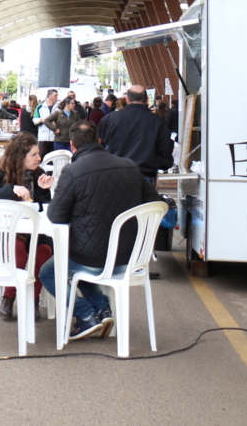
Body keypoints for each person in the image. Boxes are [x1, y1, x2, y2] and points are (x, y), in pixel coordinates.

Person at [39, 121, 163, 340]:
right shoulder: (129, 165)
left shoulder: (72, 171)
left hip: (92, 259)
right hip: (131, 258)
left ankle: (85, 315)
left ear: (72, 146)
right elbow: (154, 202)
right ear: (98, 141)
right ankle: (102, 310)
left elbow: (55, 216)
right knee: (83, 260)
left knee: (49, 271)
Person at [0, 132, 54, 320]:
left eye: (38, 154)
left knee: (44, 253)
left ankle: (33, 299)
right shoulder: (0, 174)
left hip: (35, 232)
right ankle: (9, 297)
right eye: (34, 155)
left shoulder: (39, 173)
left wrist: (44, 192)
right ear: (21, 157)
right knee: (18, 253)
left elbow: (44, 210)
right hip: (7, 233)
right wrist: (9, 190)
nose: (39, 158)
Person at [100, 85, 173, 182]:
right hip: (144, 174)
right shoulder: (157, 122)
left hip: (114, 174)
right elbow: (165, 150)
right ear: (147, 100)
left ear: (127, 99)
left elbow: (100, 144)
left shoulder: (109, 119)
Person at [33, 89, 59, 158]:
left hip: (55, 137)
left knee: (53, 158)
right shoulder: (40, 107)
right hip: (43, 137)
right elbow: (34, 120)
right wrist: (41, 120)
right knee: (41, 157)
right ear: (49, 96)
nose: (57, 98)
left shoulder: (59, 107)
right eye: (55, 96)